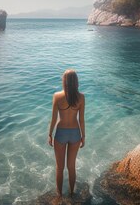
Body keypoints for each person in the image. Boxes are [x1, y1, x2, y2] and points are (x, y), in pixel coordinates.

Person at [48, 69, 85, 197]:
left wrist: (49, 134)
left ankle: (59, 195)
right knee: (71, 167)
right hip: (75, 133)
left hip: (61, 133)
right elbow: (81, 120)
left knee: (59, 167)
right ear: (76, 82)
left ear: (64, 81)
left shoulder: (57, 96)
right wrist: (83, 137)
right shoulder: (81, 97)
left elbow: (53, 119)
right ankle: (71, 192)